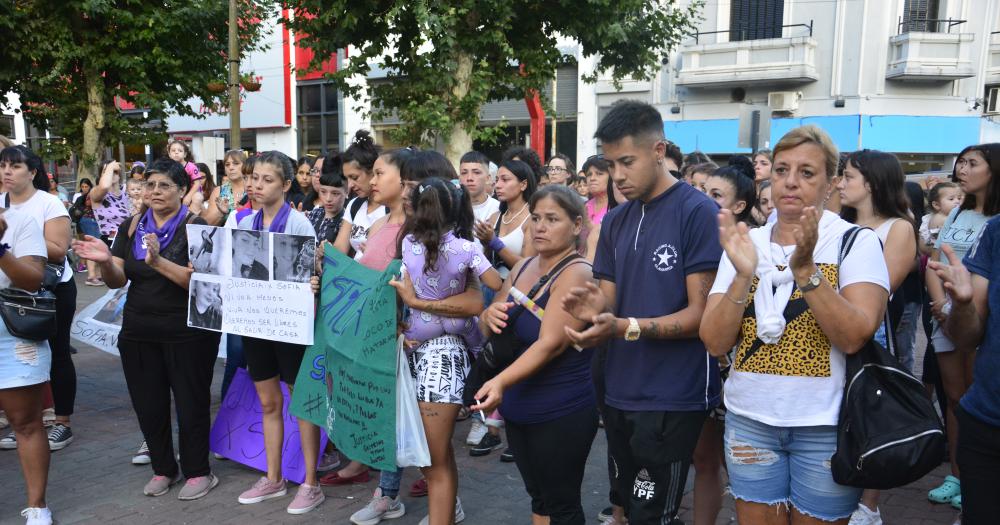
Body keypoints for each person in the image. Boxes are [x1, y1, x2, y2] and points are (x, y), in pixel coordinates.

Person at [699, 125, 890, 525]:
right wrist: (740, 277)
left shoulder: (855, 242)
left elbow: (855, 336)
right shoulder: (744, 243)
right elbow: (715, 341)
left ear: (831, 183)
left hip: (824, 425)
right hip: (750, 419)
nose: (790, 181)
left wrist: (806, 272)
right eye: (782, 169)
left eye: (807, 172)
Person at [561, 100, 722, 524]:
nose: (617, 175)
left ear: (658, 150)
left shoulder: (698, 212)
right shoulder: (614, 221)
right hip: (618, 386)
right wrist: (592, 313)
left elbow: (699, 316)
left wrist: (625, 326)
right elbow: (609, 301)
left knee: (654, 514)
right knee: (624, 507)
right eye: (610, 164)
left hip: (673, 393)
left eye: (626, 162)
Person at [73, 158, 223, 502]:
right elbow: (118, 279)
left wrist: (158, 261)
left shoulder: (198, 227)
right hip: (139, 330)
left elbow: (200, 284)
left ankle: (199, 471)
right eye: (150, 185)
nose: (154, 192)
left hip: (188, 333)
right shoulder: (133, 224)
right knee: (149, 404)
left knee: (191, 403)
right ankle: (163, 468)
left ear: (183, 191)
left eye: (164, 186)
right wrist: (107, 260)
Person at [472, 185, 597, 525]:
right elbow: (491, 319)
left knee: (562, 503)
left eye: (552, 219)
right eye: (537, 218)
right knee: (538, 498)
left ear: (576, 225)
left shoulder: (577, 272)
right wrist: (487, 317)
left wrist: (498, 381)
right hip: (519, 404)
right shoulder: (525, 265)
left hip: (560, 408)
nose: (540, 226)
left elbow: (551, 343)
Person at [228, 151, 324, 514]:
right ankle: (274, 477)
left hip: (290, 326)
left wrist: (314, 280)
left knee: (301, 403)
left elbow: (314, 273)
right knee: (268, 402)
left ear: (285, 185)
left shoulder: (299, 224)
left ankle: (311, 482)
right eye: (252, 178)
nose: (255, 185)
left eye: (266, 179)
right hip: (255, 323)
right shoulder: (242, 221)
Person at [837, 149, 917, 525]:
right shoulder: (838, 225)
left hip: (871, 333)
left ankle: (868, 505)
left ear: (871, 183)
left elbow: (879, 291)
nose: (840, 183)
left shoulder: (897, 228)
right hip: (831, 330)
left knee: (868, 412)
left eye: (848, 177)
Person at [924, 143, 1000, 513]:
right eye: (961, 162)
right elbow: (936, 261)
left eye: (973, 163)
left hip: (981, 327)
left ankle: (973, 479)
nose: (962, 170)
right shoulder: (957, 214)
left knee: (973, 397)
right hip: (948, 317)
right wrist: (942, 305)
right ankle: (957, 472)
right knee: (954, 399)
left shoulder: (995, 223)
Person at [0, 146, 78, 452]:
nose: (7, 172)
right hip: (10, 292)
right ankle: (23, 420)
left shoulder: (49, 203)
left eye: (15, 166)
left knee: (57, 352)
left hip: (50, 290)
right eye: (3, 166)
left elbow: (59, 248)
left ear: (32, 173)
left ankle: (62, 422)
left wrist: (21, 232)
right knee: (18, 359)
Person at [0, 205, 52, 525]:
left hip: (11, 331)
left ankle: (37, 507)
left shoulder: (21, 220)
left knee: (26, 421)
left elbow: (33, 280)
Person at [334, 130, 386, 260]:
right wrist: (326, 252)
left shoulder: (390, 207)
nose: (350, 185)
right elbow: (339, 250)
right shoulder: (354, 205)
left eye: (354, 177)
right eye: (347, 179)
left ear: (372, 172)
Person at [89, 159, 132, 250]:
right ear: (101, 176)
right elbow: (104, 186)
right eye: (107, 172)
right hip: (109, 241)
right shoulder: (95, 192)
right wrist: (111, 166)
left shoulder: (127, 192)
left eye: (115, 172)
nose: (111, 173)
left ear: (119, 175)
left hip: (130, 240)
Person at [306, 153, 348, 244]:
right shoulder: (314, 214)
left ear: (346, 192)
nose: (328, 198)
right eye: (323, 192)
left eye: (335, 193)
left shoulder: (346, 223)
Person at [704, 156, 757, 225]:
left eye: (715, 195)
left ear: (739, 207)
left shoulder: (753, 235)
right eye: (704, 191)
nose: (704, 198)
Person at [203, 150, 247, 227]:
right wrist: (221, 213)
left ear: (245, 165)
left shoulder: (253, 189)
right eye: (227, 164)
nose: (231, 167)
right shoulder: (219, 191)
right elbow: (208, 225)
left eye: (236, 163)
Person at [919, 182, 962, 256]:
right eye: (951, 199)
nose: (957, 201)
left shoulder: (941, 216)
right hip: (938, 258)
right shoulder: (940, 219)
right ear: (936, 205)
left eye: (959, 198)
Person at [459, 151, 500, 222]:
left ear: (488, 178)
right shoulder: (451, 208)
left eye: (476, 172)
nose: (469, 178)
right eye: (464, 173)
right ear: (459, 178)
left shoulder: (498, 209)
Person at [583, 156, 616, 226]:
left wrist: (589, 224)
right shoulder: (584, 206)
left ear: (611, 177)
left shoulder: (617, 207)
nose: (592, 178)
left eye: (599, 174)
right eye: (589, 174)